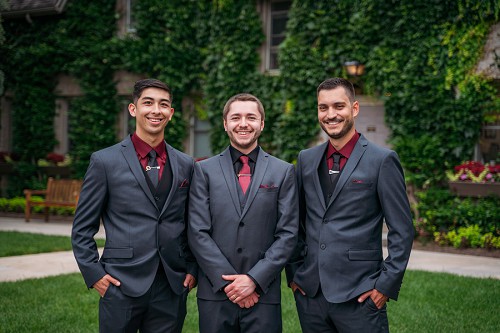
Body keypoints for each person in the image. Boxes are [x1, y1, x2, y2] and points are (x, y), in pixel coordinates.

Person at [286, 78, 414, 333]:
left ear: (354, 108)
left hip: (361, 294)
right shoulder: (306, 159)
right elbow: (295, 221)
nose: (331, 114)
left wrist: (383, 287)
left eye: (338, 106)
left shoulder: (382, 160)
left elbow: (402, 230)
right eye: (323, 108)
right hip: (310, 295)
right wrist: (295, 275)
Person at [71, 78, 197, 333]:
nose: (155, 110)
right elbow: (82, 228)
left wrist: (192, 269)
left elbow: (192, 223)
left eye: (163, 105)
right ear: (133, 109)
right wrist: (95, 275)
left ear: (171, 113)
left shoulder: (186, 164)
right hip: (120, 283)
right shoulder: (104, 161)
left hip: (171, 285)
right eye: (147, 103)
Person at [188, 93, 298, 333]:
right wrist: (231, 283)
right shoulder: (203, 171)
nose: (244, 124)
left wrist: (254, 280)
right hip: (216, 294)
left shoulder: (283, 172)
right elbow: (197, 232)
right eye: (236, 117)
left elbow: (288, 234)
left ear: (262, 123)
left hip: (263, 295)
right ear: (226, 124)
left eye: (251, 117)